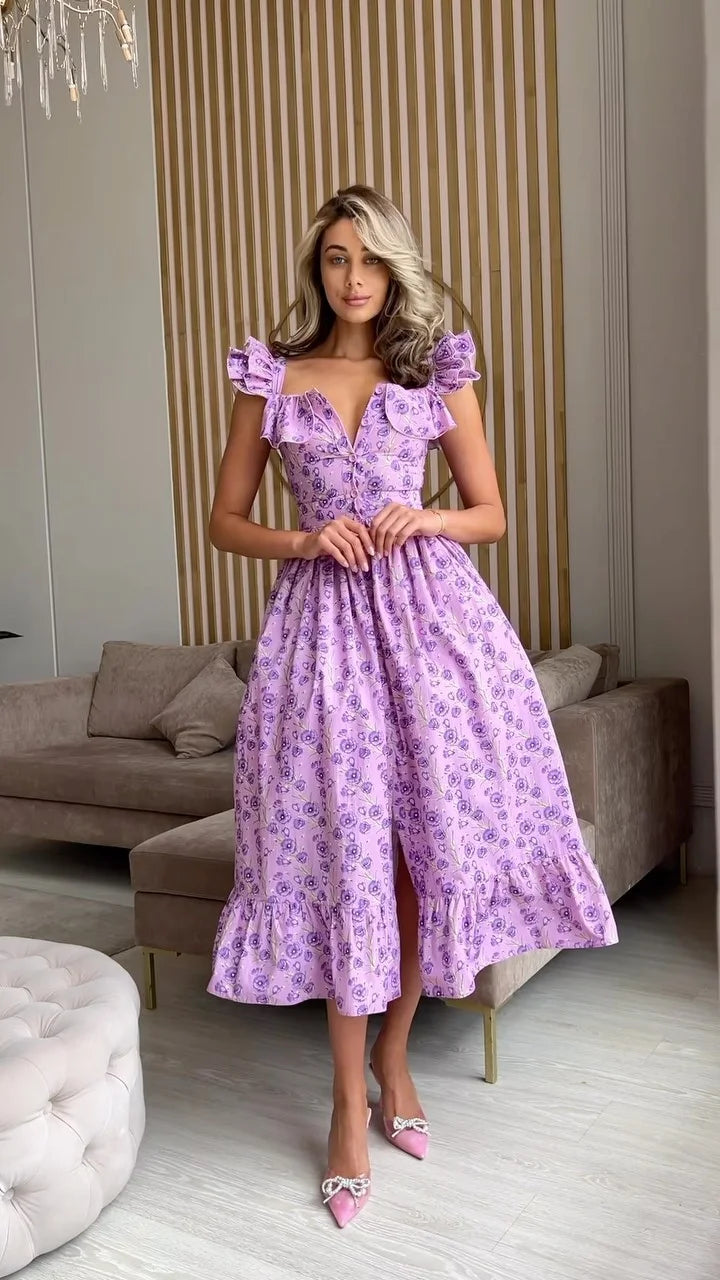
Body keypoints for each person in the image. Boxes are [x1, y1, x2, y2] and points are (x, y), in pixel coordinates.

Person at [207, 185, 618, 1228]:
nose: (353, 278)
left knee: (419, 855)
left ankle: (394, 1058)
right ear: (320, 268)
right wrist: (305, 539)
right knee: (346, 858)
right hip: (320, 639)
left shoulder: (434, 372)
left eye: (371, 260)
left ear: (396, 270)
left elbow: (492, 512)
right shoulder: (275, 374)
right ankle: (348, 1107)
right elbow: (225, 519)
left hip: (432, 632)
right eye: (338, 258)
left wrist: (421, 514)